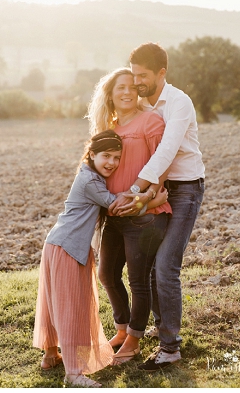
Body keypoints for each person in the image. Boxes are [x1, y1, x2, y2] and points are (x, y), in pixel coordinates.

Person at [112, 42, 206, 371]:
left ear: (162, 73)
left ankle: (170, 348)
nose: (137, 81)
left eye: (143, 75)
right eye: (134, 74)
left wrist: (136, 190)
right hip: (155, 187)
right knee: (151, 265)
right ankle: (162, 324)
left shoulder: (179, 103)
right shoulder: (140, 104)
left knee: (166, 266)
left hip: (184, 190)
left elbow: (165, 151)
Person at [32, 130, 150, 387]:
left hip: (56, 244)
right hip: (69, 249)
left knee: (54, 303)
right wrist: (152, 199)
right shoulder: (91, 182)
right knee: (72, 308)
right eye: (106, 156)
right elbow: (118, 206)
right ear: (92, 154)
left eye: (117, 157)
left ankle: (51, 355)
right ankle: (74, 373)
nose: (112, 162)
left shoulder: (88, 175)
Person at [88, 67, 172, 366]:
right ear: (109, 94)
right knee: (107, 273)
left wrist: (147, 199)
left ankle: (135, 339)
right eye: (119, 87)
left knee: (138, 280)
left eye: (131, 87)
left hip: (145, 215)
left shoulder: (151, 121)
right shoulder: (108, 127)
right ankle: (122, 330)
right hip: (115, 215)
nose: (127, 92)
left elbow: (163, 163)